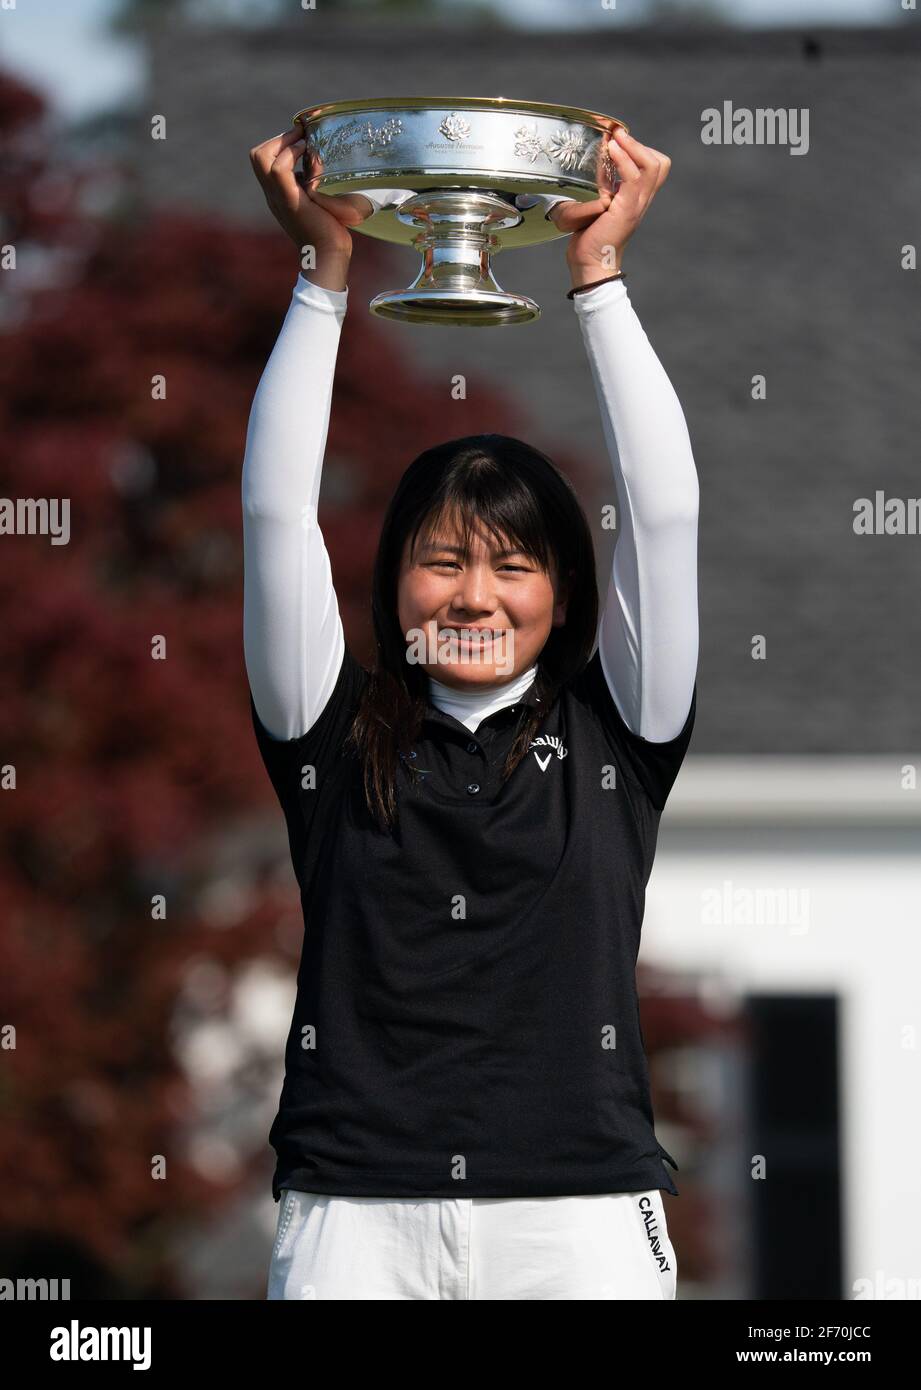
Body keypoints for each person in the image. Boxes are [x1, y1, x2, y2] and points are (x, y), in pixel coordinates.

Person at [244, 122, 699, 1301]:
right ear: (395, 577)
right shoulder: (328, 735)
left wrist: (597, 277)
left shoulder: (621, 734)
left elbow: (664, 519)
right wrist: (320, 273)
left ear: (564, 592)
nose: (476, 594)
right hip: (354, 1212)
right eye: (443, 561)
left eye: (514, 565)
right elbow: (272, 520)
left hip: (582, 1219)